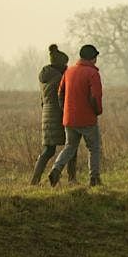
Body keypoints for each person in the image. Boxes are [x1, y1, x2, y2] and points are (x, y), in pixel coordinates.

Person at [48, 44, 103, 187]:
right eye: (95, 57)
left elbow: (60, 93)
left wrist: (65, 110)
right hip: (87, 119)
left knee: (70, 146)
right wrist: (97, 111)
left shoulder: (69, 71)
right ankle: (94, 179)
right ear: (92, 58)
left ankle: (56, 169)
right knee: (94, 148)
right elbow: (95, 96)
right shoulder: (93, 73)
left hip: (69, 118)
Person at [31, 44, 77, 185]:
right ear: (61, 64)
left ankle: (35, 180)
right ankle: (71, 179)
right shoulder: (61, 77)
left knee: (48, 150)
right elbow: (67, 96)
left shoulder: (44, 77)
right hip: (61, 113)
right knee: (71, 146)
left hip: (46, 114)